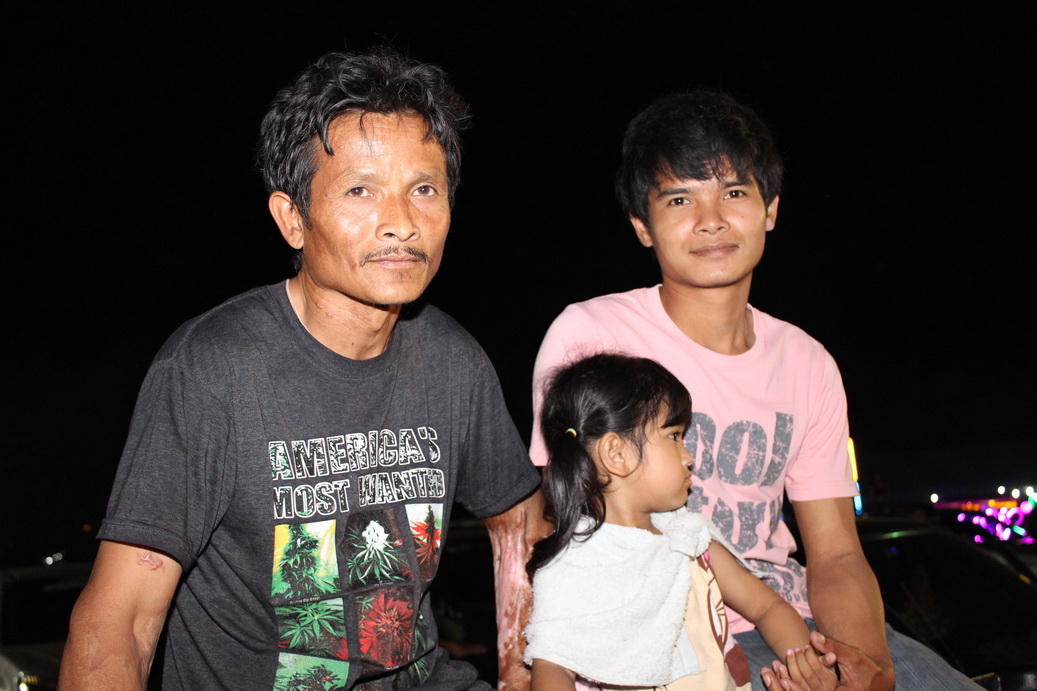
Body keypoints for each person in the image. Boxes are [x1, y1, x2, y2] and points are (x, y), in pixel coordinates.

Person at [59, 47, 541, 690]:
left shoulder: (453, 361)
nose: (402, 223)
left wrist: (520, 671)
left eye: (424, 189)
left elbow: (521, 523)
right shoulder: (213, 370)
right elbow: (118, 623)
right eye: (360, 190)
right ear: (293, 218)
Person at [529, 92, 981, 690]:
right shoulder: (591, 335)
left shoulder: (808, 363)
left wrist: (867, 666)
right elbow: (550, 520)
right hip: (666, 633)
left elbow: (837, 553)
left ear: (770, 209)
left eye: (734, 193)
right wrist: (525, 660)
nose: (711, 219)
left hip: (790, 619)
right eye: (680, 198)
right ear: (642, 225)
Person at [524, 353, 836, 691]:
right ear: (617, 453)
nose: (689, 457)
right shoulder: (574, 565)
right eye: (674, 436)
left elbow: (766, 605)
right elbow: (552, 666)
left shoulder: (687, 536)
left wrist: (805, 665)